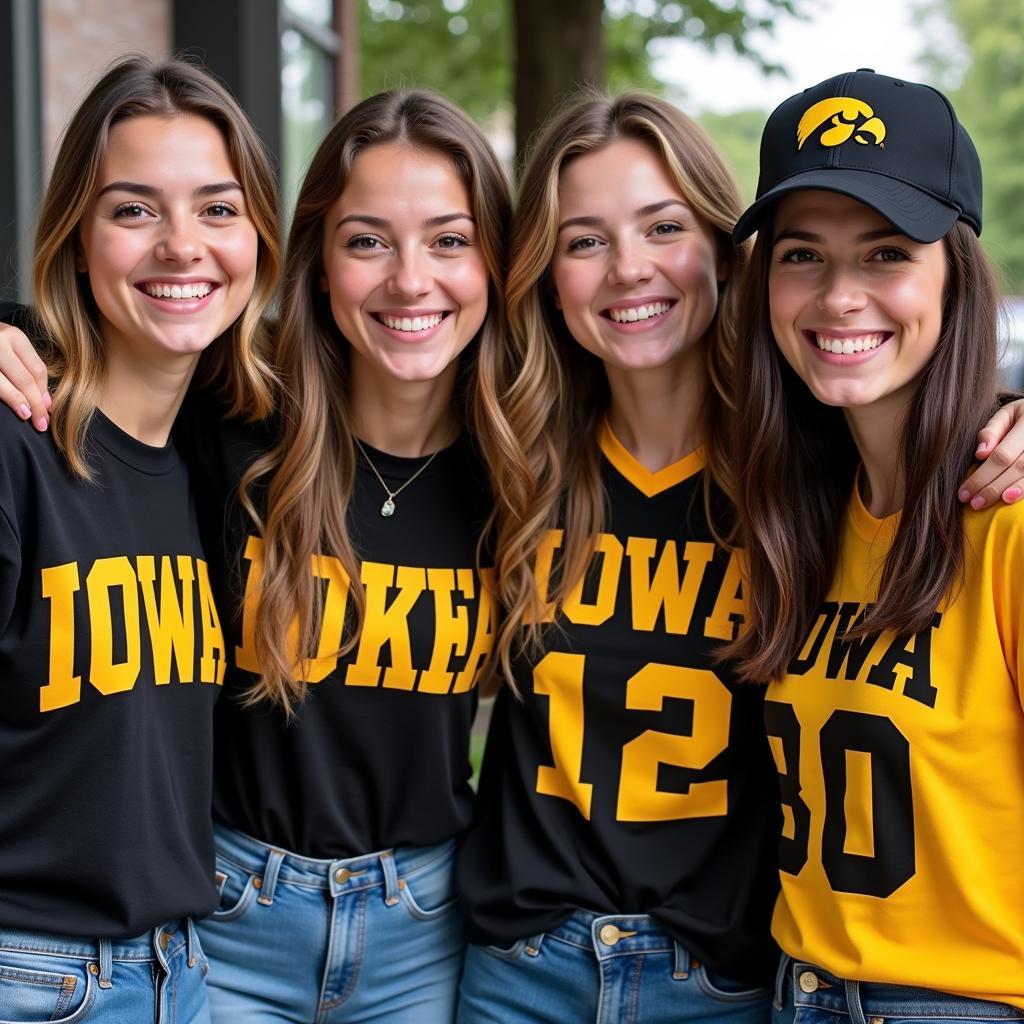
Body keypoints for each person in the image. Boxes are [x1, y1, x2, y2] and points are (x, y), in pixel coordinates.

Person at [455, 90, 779, 1024]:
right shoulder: (505, 457)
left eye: (664, 227)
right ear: (546, 276)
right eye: (583, 240)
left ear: (723, 246)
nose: (628, 270)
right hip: (520, 975)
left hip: (724, 983)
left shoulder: (804, 474)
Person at [729, 69, 1024, 1022]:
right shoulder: (797, 517)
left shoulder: (1008, 519)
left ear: (955, 277)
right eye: (802, 255)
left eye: (887, 253)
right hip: (796, 991)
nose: (839, 296)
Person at [0, 55, 279, 1024]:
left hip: (176, 974)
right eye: (132, 210)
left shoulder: (222, 456)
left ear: (259, 240)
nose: (180, 246)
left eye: (216, 208)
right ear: (77, 238)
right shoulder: (14, 446)